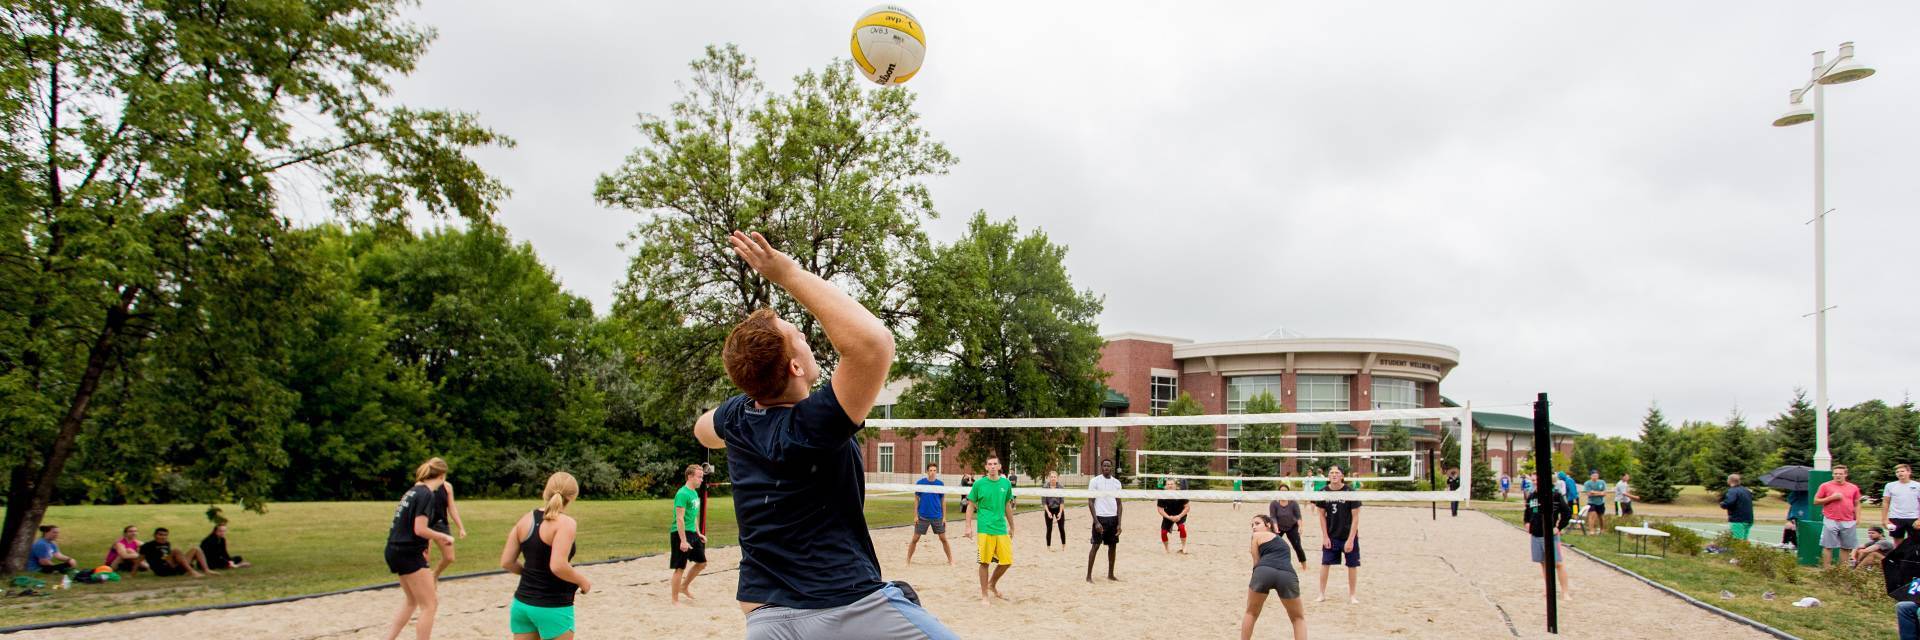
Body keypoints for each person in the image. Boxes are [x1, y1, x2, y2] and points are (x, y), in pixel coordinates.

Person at [691, 231, 955, 639]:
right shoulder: (814, 424)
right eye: (799, 334)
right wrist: (789, 274)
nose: (809, 338)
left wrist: (744, 410)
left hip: (764, 617)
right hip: (846, 607)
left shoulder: (738, 415)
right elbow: (874, 344)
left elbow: (702, 431)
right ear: (795, 368)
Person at [500, 472, 590, 640]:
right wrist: (582, 581)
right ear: (573, 496)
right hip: (553, 605)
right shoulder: (566, 523)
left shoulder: (525, 519)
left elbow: (507, 562)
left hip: (522, 605)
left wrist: (529, 573)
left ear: (546, 491)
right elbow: (558, 565)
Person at [382, 457, 459, 640]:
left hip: (395, 550)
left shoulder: (412, 492)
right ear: (441, 476)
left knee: (412, 600)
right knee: (430, 604)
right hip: (408, 553)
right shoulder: (426, 494)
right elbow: (420, 529)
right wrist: (444, 536)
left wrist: (423, 545)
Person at [1241, 515, 1308, 640]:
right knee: (1298, 618)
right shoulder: (1282, 542)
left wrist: (1256, 581)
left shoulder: (1256, 536)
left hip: (1264, 571)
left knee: (1251, 612)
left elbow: (1256, 562)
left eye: (1257, 523)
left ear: (1268, 525)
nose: (1254, 527)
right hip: (1287, 574)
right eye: (1252, 525)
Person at [964, 455, 1016, 605]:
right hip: (985, 528)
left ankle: (992, 584)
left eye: (995, 464)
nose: (992, 466)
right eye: (989, 464)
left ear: (999, 466)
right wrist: (968, 526)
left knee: (1007, 561)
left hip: (1000, 528)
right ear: (986, 467)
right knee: (985, 562)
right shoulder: (979, 484)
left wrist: (1012, 526)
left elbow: (1007, 506)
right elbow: (971, 505)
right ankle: (984, 595)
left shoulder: (1006, 484)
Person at [1313, 466, 1361, 604]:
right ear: (1328, 476)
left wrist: (1351, 539)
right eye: (1331, 473)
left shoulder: (1350, 492)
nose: (1334, 475)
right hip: (1331, 534)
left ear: (1342, 476)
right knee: (1325, 563)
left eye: (1337, 473)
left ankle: (1352, 595)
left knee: (1352, 565)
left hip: (1348, 535)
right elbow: (1321, 515)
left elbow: (1356, 517)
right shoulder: (1323, 492)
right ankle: (1321, 594)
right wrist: (1325, 536)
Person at [1525, 483, 1573, 599]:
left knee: (1557, 563)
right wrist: (1527, 523)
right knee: (1543, 562)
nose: (1535, 483)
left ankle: (1565, 591)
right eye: (1533, 480)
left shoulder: (1555, 495)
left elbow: (1566, 512)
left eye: (1537, 480)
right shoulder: (1532, 496)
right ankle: (1549, 588)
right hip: (1536, 533)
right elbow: (1528, 511)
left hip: (1550, 534)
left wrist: (1559, 527)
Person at [670, 464, 709, 606]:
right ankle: (674, 600)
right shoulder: (682, 494)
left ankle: (684, 587)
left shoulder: (694, 493)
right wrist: (683, 541)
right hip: (680, 533)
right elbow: (679, 518)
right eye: (699, 477)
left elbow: (693, 516)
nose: (701, 480)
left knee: (702, 563)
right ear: (690, 476)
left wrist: (699, 533)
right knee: (680, 567)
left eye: (702, 477)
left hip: (692, 532)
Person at [1815, 465, 1864, 568]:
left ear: (1845, 474)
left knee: (1846, 547)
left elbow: (1857, 503)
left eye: (1840, 474)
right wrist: (1831, 498)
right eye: (1836, 473)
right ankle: (1827, 568)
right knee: (1828, 545)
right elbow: (1816, 501)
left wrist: (1858, 518)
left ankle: (1842, 570)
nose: (1838, 476)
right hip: (1831, 519)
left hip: (1848, 520)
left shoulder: (1853, 487)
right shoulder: (1825, 486)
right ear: (1832, 474)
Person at [907, 463, 954, 565]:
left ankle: (950, 560)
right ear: (927, 472)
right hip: (922, 516)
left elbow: (943, 501)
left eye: (934, 470)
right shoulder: (920, 483)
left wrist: (944, 517)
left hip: (937, 516)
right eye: (931, 470)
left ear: (936, 472)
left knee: (943, 539)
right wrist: (915, 515)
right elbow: (916, 499)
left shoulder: (940, 484)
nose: (932, 472)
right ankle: (908, 560)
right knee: (915, 539)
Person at [1086, 458, 1124, 582]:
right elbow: (1090, 502)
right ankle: (1088, 576)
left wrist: (1119, 523)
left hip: (1113, 518)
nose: (1106, 467)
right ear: (1101, 467)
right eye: (1104, 465)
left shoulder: (1117, 483)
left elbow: (1119, 504)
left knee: (1112, 547)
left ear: (1111, 467)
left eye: (1108, 465)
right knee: (1095, 546)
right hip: (1100, 518)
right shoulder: (1095, 481)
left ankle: (1110, 574)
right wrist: (1096, 521)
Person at [428, 468, 467, 579]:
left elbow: (452, 508)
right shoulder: (424, 485)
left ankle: (434, 575)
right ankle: (426, 583)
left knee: (449, 557)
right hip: (426, 524)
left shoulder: (447, 486)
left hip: (441, 524)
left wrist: (461, 527)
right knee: (425, 558)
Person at [1265, 482, 1309, 567]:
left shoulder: (1293, 503)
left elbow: (1298, 516)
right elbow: (1273, 517)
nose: (1283, 493)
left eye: (1285, 491)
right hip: (1278, 527)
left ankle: (1304, 565)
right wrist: (1276, 527)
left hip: (1292, 526)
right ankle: (1269, 563)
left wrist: (1300, 527)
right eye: (1281, 491)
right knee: (1272, 545)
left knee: (1297, 546)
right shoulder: (1274, 503)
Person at [141, 527, 214, 578]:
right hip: (162, 569)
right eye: (160, 535)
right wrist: (133, 573)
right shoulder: (148, 545)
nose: (163, 537)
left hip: (172, 566)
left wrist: (177, 559)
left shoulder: (167, 543)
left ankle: (206, 570)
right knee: (176, 550)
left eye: (165, 535)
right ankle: (192, 572)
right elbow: (140, 558)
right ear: (155, 535)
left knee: (196, 549)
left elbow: (167, 556)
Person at [1886, 464, 1920, 541]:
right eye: (1897, 472)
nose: (1899, 473)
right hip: (1895, 517)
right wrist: (1884, 519)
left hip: (1913, 518)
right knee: (1897, 542)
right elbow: (1886, 502)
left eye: (1902, 471)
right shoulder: (1890, 485)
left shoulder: (1917, 486)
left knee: (1915, 542)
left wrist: (1919, 519)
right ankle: (1898, 553)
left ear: (1909, 472)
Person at [1157, 479, 1192, 554]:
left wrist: (1179, 516)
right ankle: (1167, 549)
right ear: (1165, 486)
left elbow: (1187, 507)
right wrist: (1169, 517)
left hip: (1180, 514)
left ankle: (1184, 547)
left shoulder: (1181, 494)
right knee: (1163, 532)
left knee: (1182, 527)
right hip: (1168, 515)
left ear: (1175, 486)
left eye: (1172, 484)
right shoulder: (1162, 495)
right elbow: (1160, 509)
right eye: (1168, 484)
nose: (1170, 486)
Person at [1721, 473, 1755, 541]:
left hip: (1738, 519)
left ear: (1729, 481)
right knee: (1744, 540)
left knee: (1737, 541)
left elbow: (1729, 502)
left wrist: (1723, 504)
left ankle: (1738, 551)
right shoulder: (1746, 490)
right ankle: (1745, 551)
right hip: (1749, 518)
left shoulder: (1733, 491)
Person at [1041, 471, 1067, 551]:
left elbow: (1062, 501)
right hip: (1049, 508)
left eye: (1054, 477)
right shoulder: (1045, 487)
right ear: (1049, 478)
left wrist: (1060, 512)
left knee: (1061, 528)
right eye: (1051, 477)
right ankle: (1048, 547)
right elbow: (1044, 502)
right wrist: (1048, 512)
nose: (1053, 478)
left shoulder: (1060, 487)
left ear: (1057, 478)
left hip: (1058, 508)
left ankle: (1063, 546)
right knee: (1049, 528)